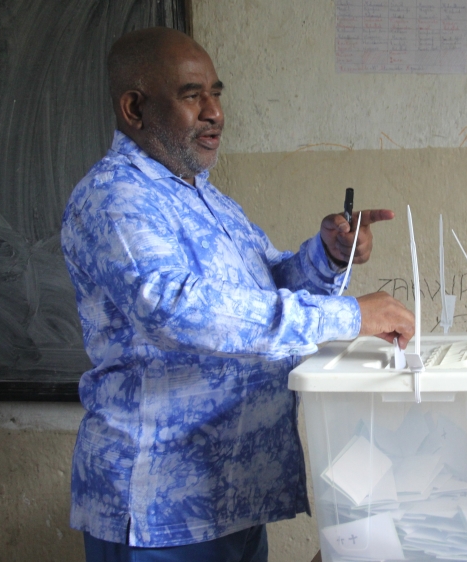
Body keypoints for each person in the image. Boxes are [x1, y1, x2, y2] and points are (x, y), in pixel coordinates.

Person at [60, 27, 415, 562]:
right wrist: (345, 316)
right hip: (161, 511)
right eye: (191, 95)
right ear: (134, 108)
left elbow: (265, 284)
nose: (214, 113)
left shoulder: (205, 197)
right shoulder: (114, 198)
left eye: (217, 94)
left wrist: (328, 255)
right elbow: (177, 310)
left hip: (232, 492)